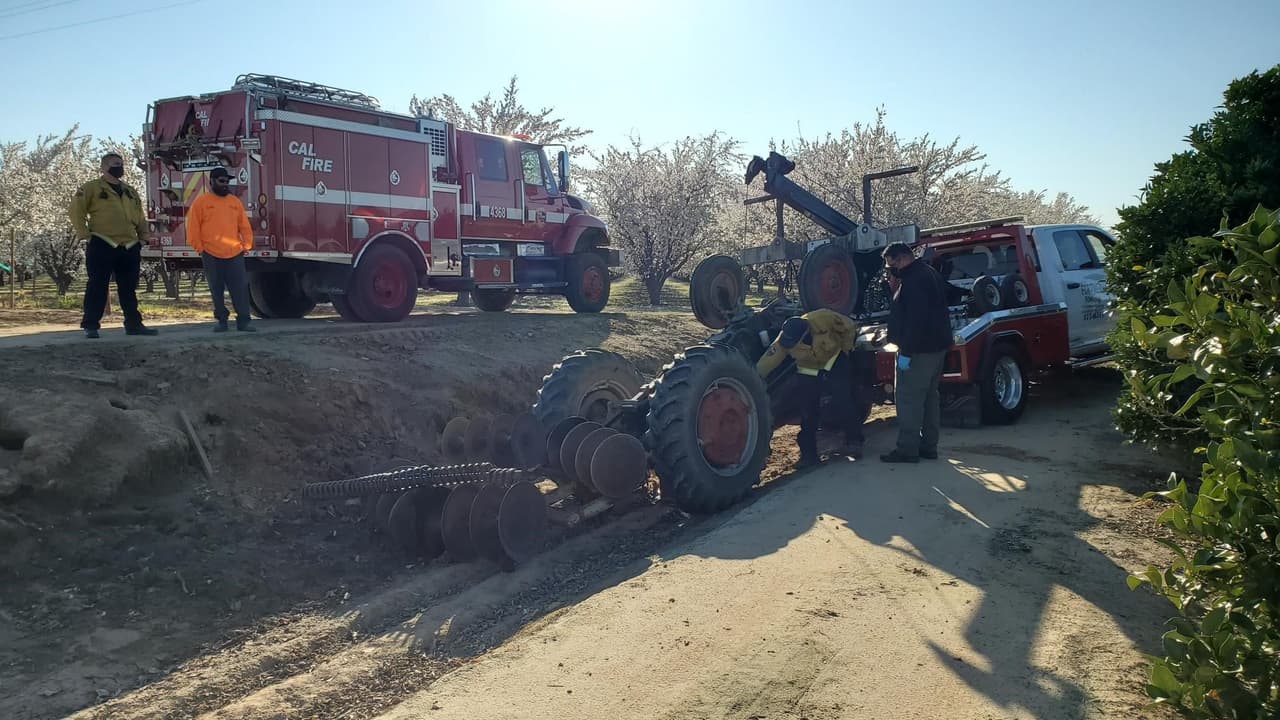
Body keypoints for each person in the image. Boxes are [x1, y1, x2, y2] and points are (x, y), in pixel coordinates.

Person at [757, 308, 869, 469]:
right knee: (808, 412)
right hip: (808, 369)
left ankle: (854, 441)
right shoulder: (785, 339)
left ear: (806, 333)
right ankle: (809, 456)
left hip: (833, 360)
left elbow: (849, 326)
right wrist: (754, 377)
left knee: (843, 400)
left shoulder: (823, 318)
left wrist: (846, 349)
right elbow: (768, 360)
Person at [70, 152, 157, 338]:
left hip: (129, 244)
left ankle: (134, 324)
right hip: (102, 242)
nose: (119, 167)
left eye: (121, 163)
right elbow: (76, 210)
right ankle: (91, 325)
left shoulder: (130, 191)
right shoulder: (91, 188)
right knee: (97, 285)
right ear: (103, 167)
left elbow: (140, 216)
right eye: (115, 164)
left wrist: (143, 238)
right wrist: (85, 235)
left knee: (128, 288)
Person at [881, 242, 953, 463]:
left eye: (891, 264)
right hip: (936, 347)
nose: (890, 269)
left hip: (919, 351)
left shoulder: (914, 281)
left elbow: (916, 320)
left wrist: (907, 352)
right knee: (930, 397)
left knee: (909, 399)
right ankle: (929, 446)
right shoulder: (928, 272)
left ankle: (907, 449)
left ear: (901, 258)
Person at [187, 167, 256, 332]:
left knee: (239, 288)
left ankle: (244, 321)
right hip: (211, 254)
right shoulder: (201, 203)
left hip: (234, 253)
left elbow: (244, 226)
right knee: (216, 289)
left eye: (227, 181)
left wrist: (246, 245)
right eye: (221, 181)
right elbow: (193, 228)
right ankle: (222, 321)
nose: (225, 184)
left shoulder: (235, 202)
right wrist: (200, 248)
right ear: (212, 181)